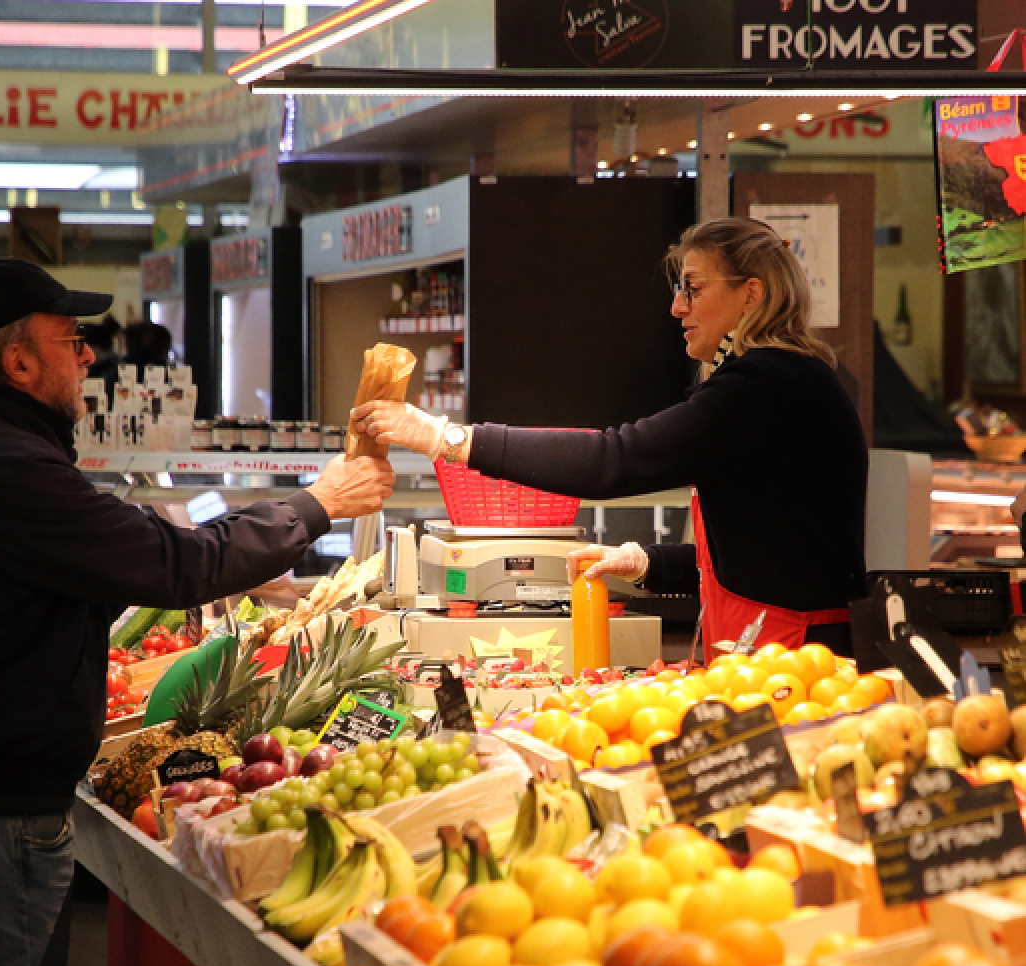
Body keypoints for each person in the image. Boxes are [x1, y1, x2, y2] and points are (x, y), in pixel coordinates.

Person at [0, 258, 395, 966]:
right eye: (71, 341)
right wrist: (319, 504)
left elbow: (11, 592)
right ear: (18, 361)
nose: (89, 357)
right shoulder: (1, 463)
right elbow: (175, 565)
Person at [354, 216, 868, 659]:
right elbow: (771, 544)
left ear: (750, 293)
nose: (677, 308)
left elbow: (612, 458)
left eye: (693, 288)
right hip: (772, 642)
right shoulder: (791, 379)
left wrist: (446, 438)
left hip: (795, 651)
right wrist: (648, 563)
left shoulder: (765, 386)